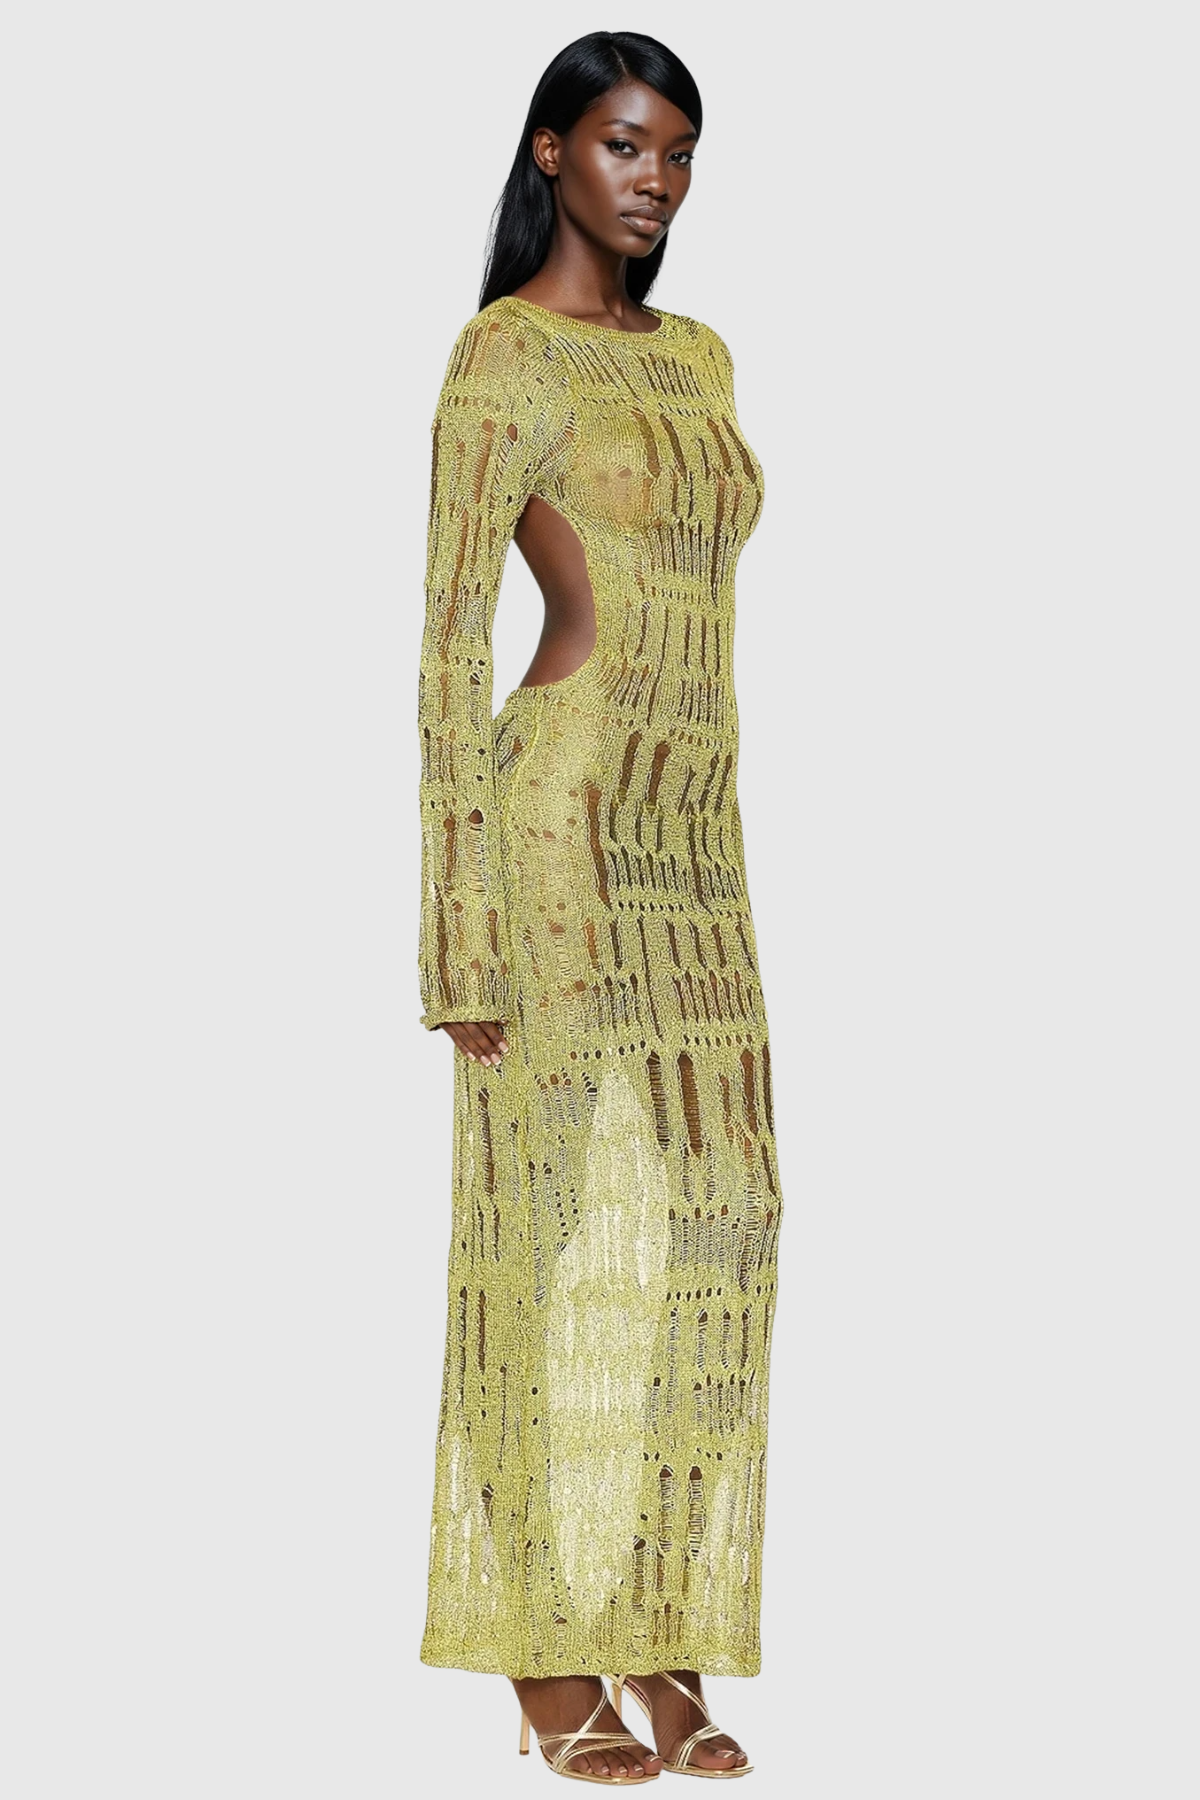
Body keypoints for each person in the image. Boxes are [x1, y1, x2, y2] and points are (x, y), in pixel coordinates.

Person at [416, 31, 783, 1783]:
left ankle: (658, 1621)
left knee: (727, 1217)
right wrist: (456, 928)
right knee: (541, 1233)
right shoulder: (500, 358)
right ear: (553, 151)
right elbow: (444, 650)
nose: (658, 180)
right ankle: (541, 1654)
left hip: (695, 845)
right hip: (555, 823)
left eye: (681, 153)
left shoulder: (698, 356)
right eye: (628, 145)